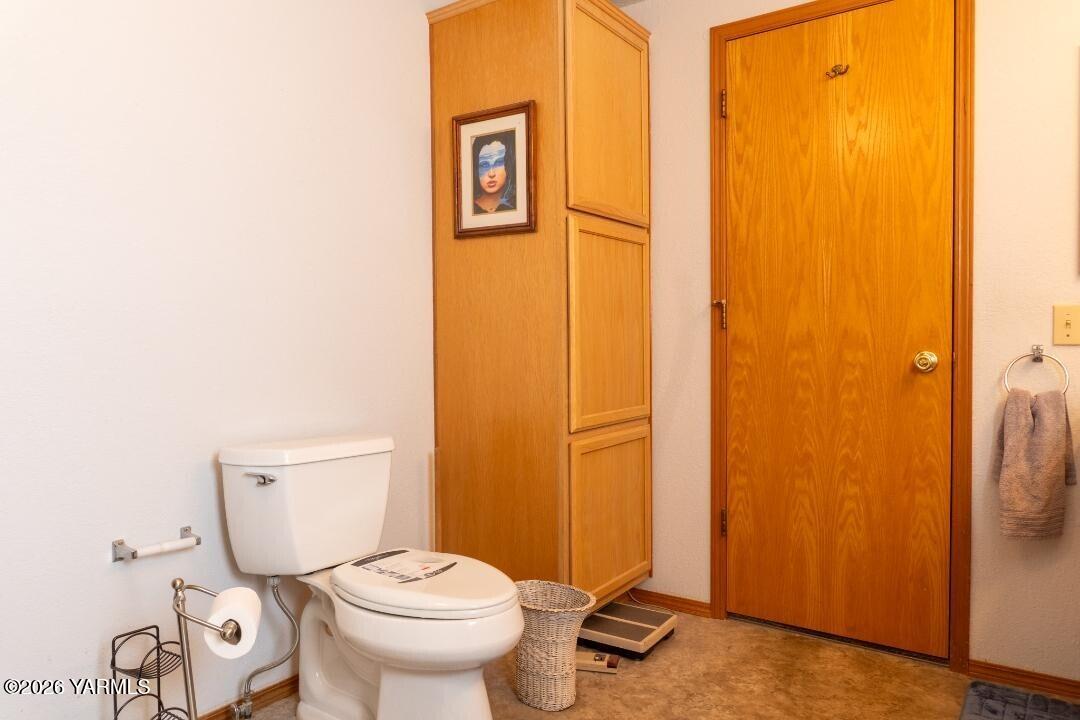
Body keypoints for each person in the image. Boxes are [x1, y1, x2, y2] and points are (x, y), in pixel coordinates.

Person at [473, 138, 516, 214]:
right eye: (484, 165)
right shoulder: (470, 208)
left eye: (498, 162)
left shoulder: (516, 204)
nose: (491, 174)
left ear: (508, 164)